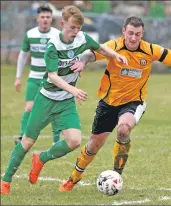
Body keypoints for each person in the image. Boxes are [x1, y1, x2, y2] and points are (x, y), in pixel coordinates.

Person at [0, 5, 128, 195]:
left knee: (75, 141)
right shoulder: (53, 46)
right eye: (71, 28)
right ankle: (5, 181)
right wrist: (73, 89)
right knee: (27, 141)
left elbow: (99, 47)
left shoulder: (82, 38)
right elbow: (52, 76)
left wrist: (116, 55)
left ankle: (41, 159)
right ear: (62, 24)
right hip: (46, 99)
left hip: (66, 102)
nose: (75, 32)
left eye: (78, 28)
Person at [57, 16, 171, 191]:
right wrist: (82, 61)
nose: (133, 38)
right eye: (130, 33)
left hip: (134, 101)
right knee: (94, 145)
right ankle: (74, 178)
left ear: (142, 34)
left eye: (137, 34)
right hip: (108, 102)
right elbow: (91, 54)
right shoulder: (114, 46)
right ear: (123, 32)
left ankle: (116, 175)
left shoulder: (150, 50)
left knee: (123, 129)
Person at [14, 5, 61, 145]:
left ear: (51, 19)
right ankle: (22, 137)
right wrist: (18, 77)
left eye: (48, 17)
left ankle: (56, 141)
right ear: (37, 18)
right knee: (29, 107)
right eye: (42, 17)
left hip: (52, 78)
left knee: (54, 109)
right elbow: (22, 56)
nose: (45, 19)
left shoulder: (57, 35)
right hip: (34, 78)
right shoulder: (30, 34)